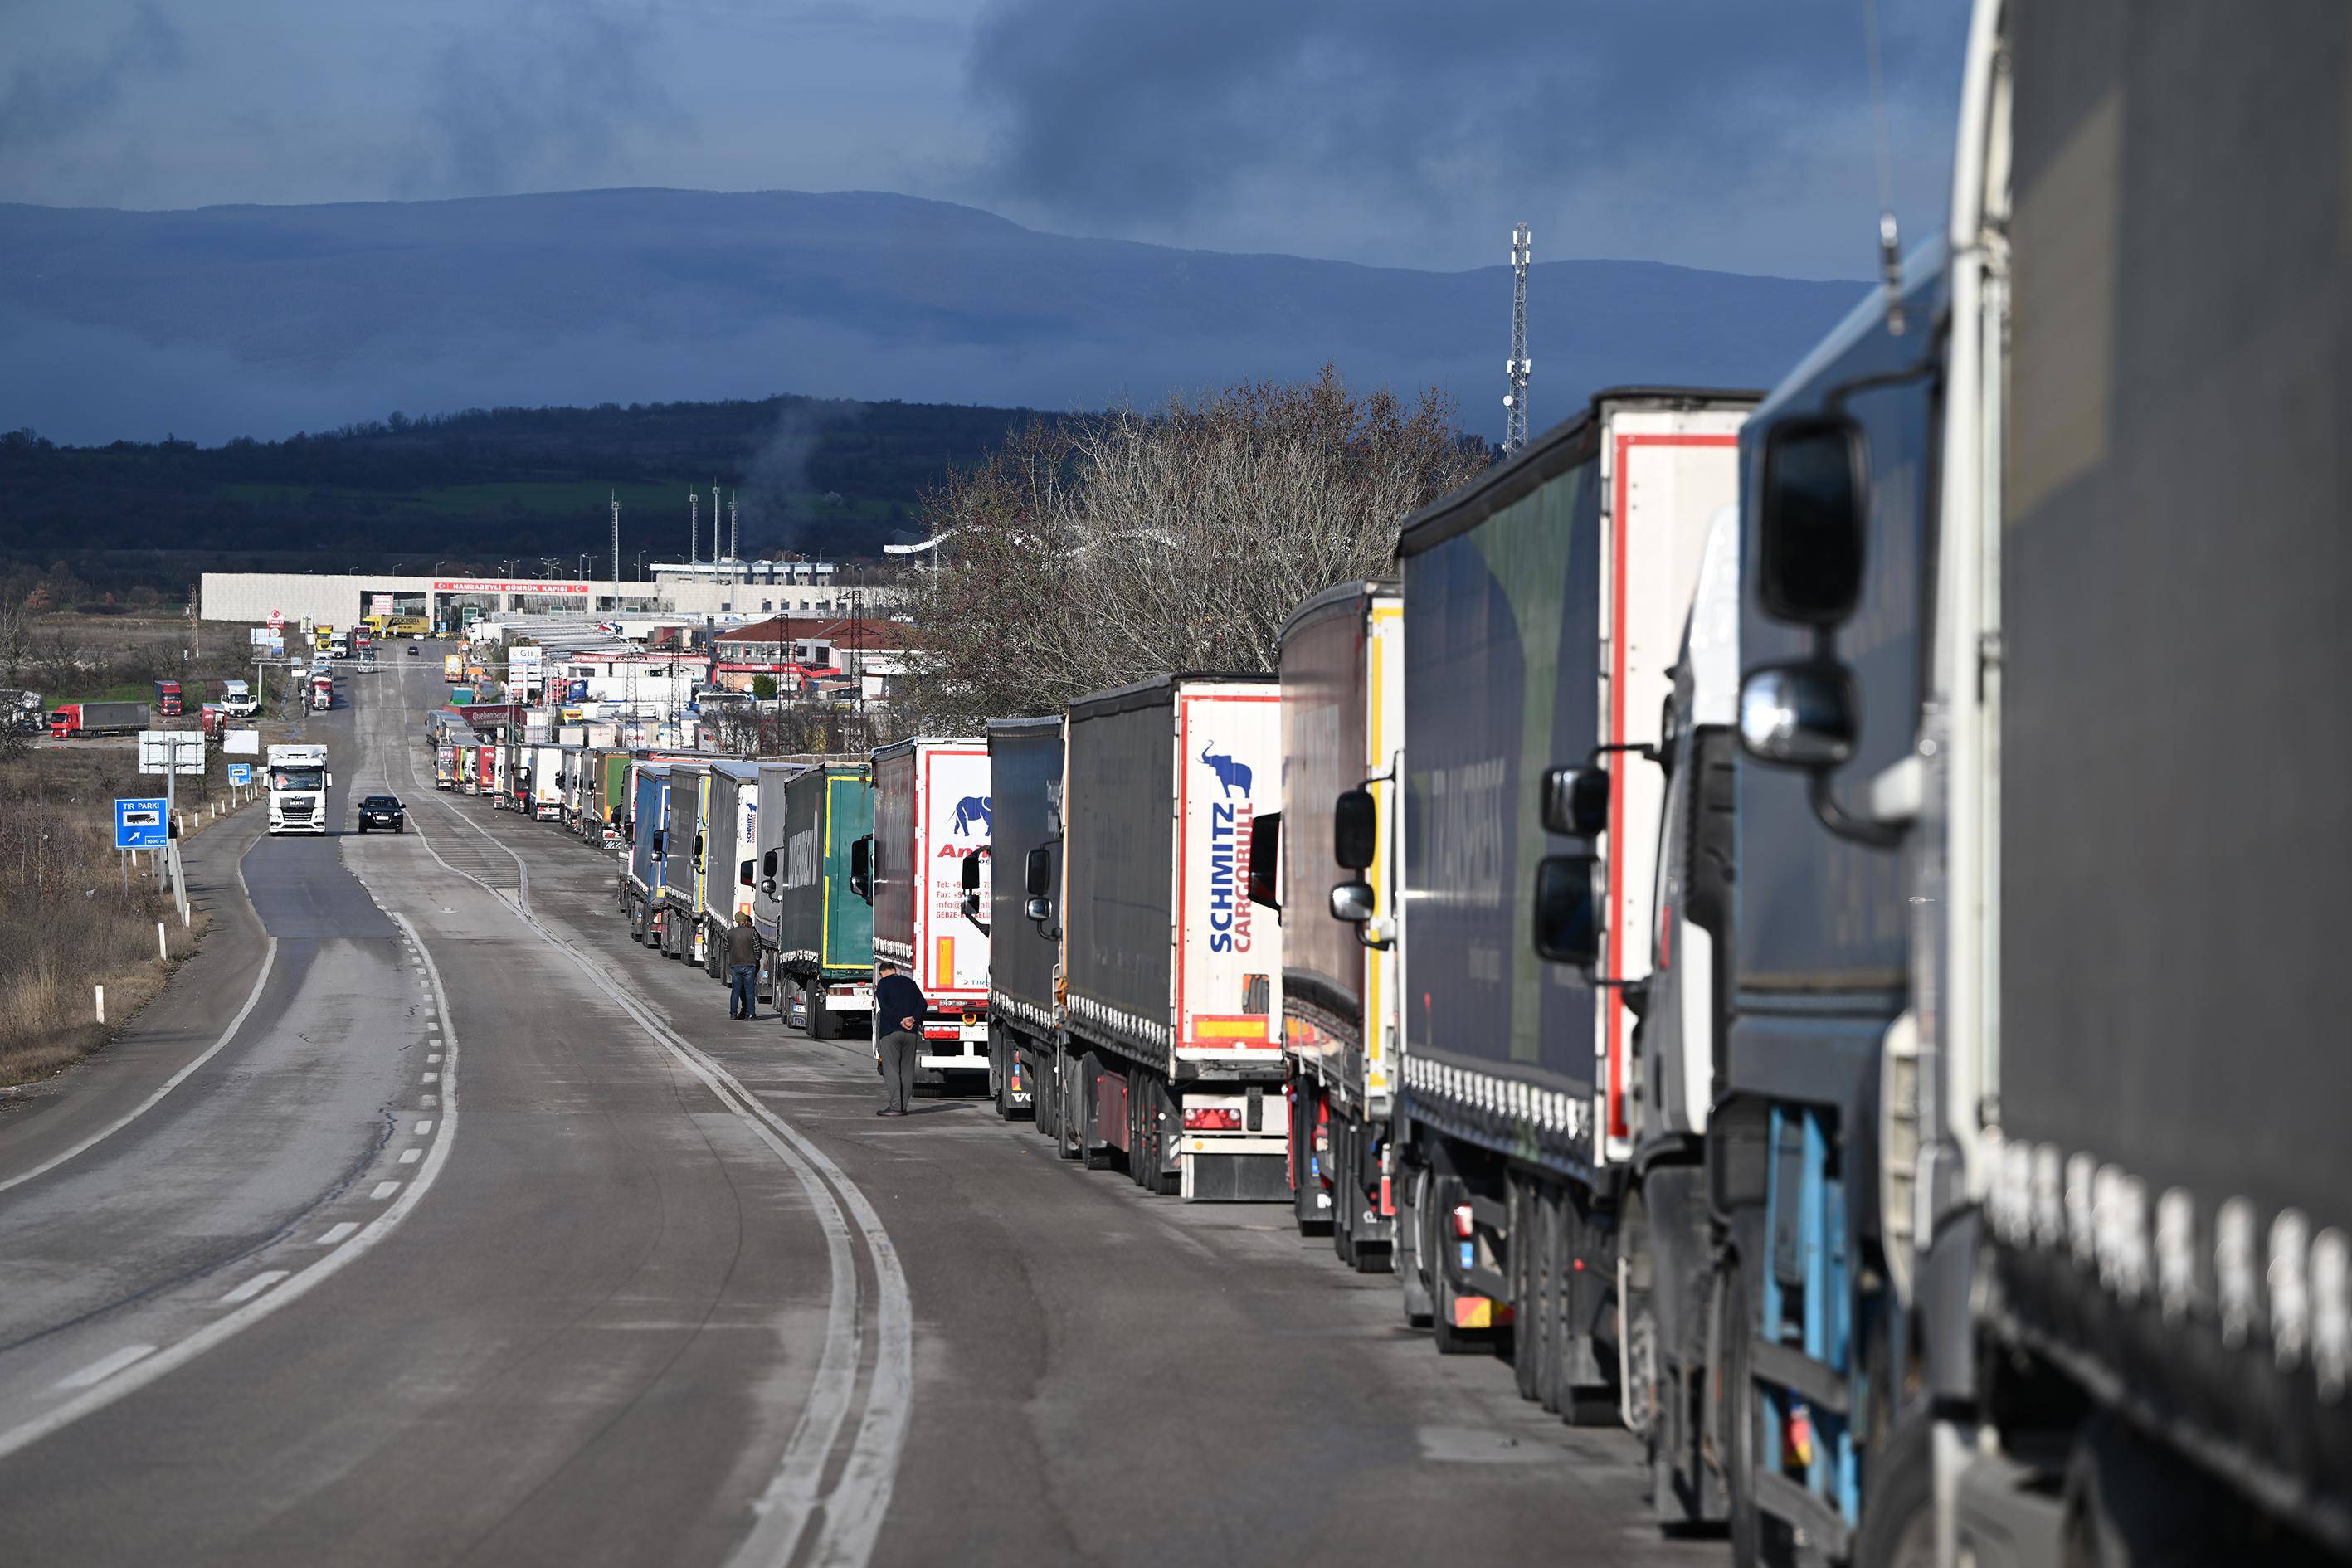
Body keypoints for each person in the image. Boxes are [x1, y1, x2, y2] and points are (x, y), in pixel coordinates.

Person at [872, 957, 925, 1117]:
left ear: (882, 973)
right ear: (895, 970)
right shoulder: (910, 983)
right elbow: (923, 1004)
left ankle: (895, 1107)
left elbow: (885, 1008)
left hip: (891, 1032)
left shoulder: (883, 984)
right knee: (907, 1070)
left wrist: (900, 1021)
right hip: (910, 1033)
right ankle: (903, 1106)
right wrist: (913, 1019)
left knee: (892, 1069)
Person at [725, 911, 762, 1020]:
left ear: (736, 921)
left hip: (735, 965)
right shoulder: (752, 932)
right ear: (745, 920)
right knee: (749, 991)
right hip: (749, 965)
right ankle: (751, 1014)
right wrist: (756, 959)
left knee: (735, 991)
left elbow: (727, 947)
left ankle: (733, 1013)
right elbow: (757, 949)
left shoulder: (730, 933)